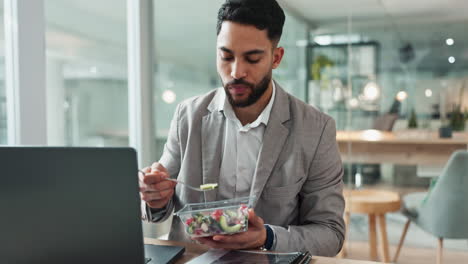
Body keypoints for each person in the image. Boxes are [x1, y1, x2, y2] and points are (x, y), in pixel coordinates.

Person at [139, 0, 345, 256]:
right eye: (226, 56)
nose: (236, 72)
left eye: (252, 58)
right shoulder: (188, 115)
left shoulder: (316, 129)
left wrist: (267, 237)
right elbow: (159, 206)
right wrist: (154, 196)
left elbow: (330, 233)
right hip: (193, 257)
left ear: (276, 58)